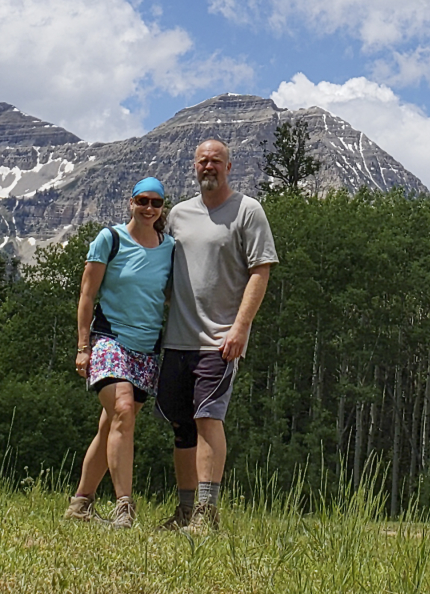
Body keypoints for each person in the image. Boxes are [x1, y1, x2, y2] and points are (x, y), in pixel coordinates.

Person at [156, 138, 278, 533]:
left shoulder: (247, 210)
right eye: (202, 161)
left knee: (208, 418)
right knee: (181, 425)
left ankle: (208, 514)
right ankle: (186, 511)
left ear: (230, 166)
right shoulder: (178, 214)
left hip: (219, 339)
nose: (208, 167)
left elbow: (261, 270)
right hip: (178, 339)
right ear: (194, 167)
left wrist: (241, 328)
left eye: (215, 161)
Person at [65, 176, 174, 529]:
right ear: (130, 202)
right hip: (109, 340)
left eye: (156, 203)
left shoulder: (169, 247)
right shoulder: (109, 240)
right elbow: (86, 295)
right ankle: (124, 506)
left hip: (146, 350)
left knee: (113, 423)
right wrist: (83, 347)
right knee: (124, 410)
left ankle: (81, 503)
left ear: (162, 209)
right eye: (142, 201)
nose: (148, 208)